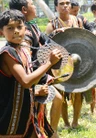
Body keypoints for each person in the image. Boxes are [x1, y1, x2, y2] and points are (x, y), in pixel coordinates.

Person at [0, 9, 61, 137]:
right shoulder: (8, 53)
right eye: (10, 28)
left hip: (26, 113)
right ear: (1, 32)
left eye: (19, 27)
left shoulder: (23, 50)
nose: (16, 31)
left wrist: (37, 90)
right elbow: (26, 81)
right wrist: (49, 62)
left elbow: (25, 83)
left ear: (25, 29)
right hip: (10, 116)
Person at [46, 0, 84, 128]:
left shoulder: (77, 21)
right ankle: (66, 122)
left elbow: (84, 38)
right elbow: (46, 45)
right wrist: (55, 32)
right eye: (62, 3)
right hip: (60, 64)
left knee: (78, 91)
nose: (65, 6)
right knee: (61, 92)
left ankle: (75, 121)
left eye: (67, 3)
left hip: (76, 59)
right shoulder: (52, 24)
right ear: (56, 7)